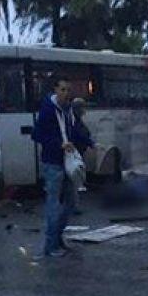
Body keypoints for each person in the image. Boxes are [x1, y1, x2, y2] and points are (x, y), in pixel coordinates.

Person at [32, 76, 94, 258]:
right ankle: (50, 245)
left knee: (71, 202)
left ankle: (57, 238)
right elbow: (37, 134)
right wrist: (59, 144)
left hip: (66, 160)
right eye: (62, 90)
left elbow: (73, 131)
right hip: (53, 162)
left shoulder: (67, 110)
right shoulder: (48, 110)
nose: (66, 93)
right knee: (53, 204)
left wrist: (90, 142)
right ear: (55, 90)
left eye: (68, 90)